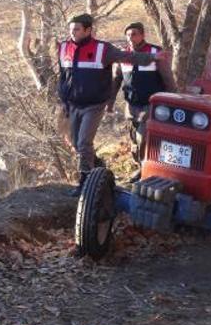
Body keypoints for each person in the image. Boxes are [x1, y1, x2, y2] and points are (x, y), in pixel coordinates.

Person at [59, 14, 169, 197]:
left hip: (94, 105)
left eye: (77, 29)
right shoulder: (64, 47)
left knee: (84, 142)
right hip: (72, 104)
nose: (73, 33)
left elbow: (128, 56)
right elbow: (63, 76)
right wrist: (62, 98)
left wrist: (152, 57)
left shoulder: (103, 49)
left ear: (88, 30)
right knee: (77, 145)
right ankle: (99, 169)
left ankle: (85, 181)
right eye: (71, 29)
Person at [110, 22, 177, 183]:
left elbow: (168, 79)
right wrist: (110, 102)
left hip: (151, 106)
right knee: (134, 140)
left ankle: (145, 171)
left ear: (142, 35)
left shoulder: (155, 52)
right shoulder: (122, 55)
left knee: (143, 139)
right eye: (128, 34)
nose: (130, 38)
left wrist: (173, 100)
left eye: (134, 34)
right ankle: (140, 167)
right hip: (131, 105)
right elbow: (116, 80)